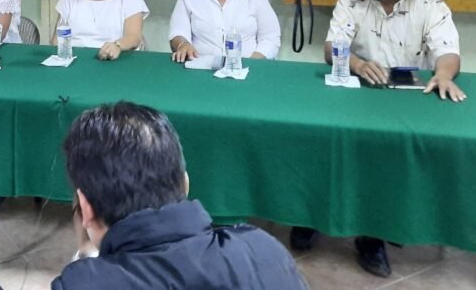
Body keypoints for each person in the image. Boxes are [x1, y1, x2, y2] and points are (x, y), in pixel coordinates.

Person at [290, 0, 463, 277]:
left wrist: (444, 74)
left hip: (404, 98)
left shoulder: (429, 4)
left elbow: (448, 51)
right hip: (354, 91)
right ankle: (312, 216)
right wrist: (355, 63)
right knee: (324, 144)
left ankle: (372, 236)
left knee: (386, 158)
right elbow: (332, 48)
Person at [52, 101, 307, 290]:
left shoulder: (80, 284)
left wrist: (86, 256)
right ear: (185, 184)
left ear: (86, 209)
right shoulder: (264, 251)